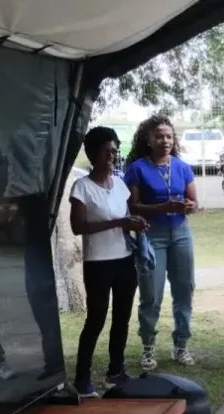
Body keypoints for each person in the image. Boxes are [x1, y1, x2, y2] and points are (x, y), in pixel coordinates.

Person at [69, 126, 148, 397]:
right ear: (92, 154)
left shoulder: (120, 185)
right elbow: (78, 227)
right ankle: (82, 380)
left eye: (114, 151)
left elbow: (125, 220)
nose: (112, 156)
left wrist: (135, 223)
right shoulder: (82, 187)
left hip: (124, 260)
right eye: (106, 151)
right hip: (98, 263)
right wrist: (119, 222)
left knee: (122, 318)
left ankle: (116, 372)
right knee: (96, 319)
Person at [124, 114, 198, 370]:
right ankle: (148, 348)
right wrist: (162, 207)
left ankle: (181, 345)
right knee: (151, 294)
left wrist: (188, 205)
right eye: (159, 137)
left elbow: (194, 203)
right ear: (148, 139)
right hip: (151, 235)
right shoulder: (137, 169)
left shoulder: (182, 167)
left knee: (184, 290)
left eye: (169, 136)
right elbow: (132, 206)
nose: (165, 141)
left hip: (181, 233)